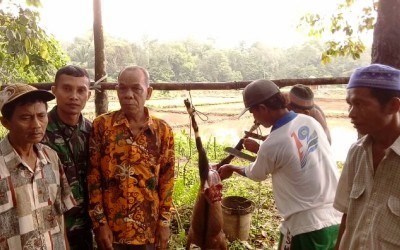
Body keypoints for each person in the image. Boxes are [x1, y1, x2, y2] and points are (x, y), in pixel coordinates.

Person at [218, 79, 341, 250]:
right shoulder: (310, 122)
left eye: (253, 113)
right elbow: (295, 157)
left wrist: (231, 168)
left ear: (262, 108)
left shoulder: (274, 142)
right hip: (337, 219)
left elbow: (256, 174)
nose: (256, 119)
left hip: (305, 226)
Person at [87, 66, 175, 250]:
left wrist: (164, 223)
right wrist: (100, 223)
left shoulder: (162, 130)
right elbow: (93, 177)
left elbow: (167, 181)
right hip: (112, 230)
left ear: (148, 92)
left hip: (148, 230)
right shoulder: (102, 126)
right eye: (122, 88)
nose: (128, 95)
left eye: (136, 88)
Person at [0, 83, 76, 249]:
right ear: (6, 123)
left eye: (41, 116)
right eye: (25, 118)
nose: (36, 125)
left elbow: (59, 215)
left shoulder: (51, 157)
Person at [334, 64, 400, 249]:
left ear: (393, 106)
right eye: (350, 104)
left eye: (360, 104)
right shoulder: (357, 152)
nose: (351, 114)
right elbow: (348, 215)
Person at [42, 65, 93, 249]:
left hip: (87, 227)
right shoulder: (39, 131)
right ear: (54, 91)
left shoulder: (92, 131)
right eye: (67, 88)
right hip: (51, 226)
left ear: (89, 95)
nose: (74, 96)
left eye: (81, 90)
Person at [244, 84, 331, 153]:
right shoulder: (284, 102)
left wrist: (259, 149)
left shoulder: (316, 122)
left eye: (288, 109)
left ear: (305, 113)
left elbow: (301, 155)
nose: (284, 111)